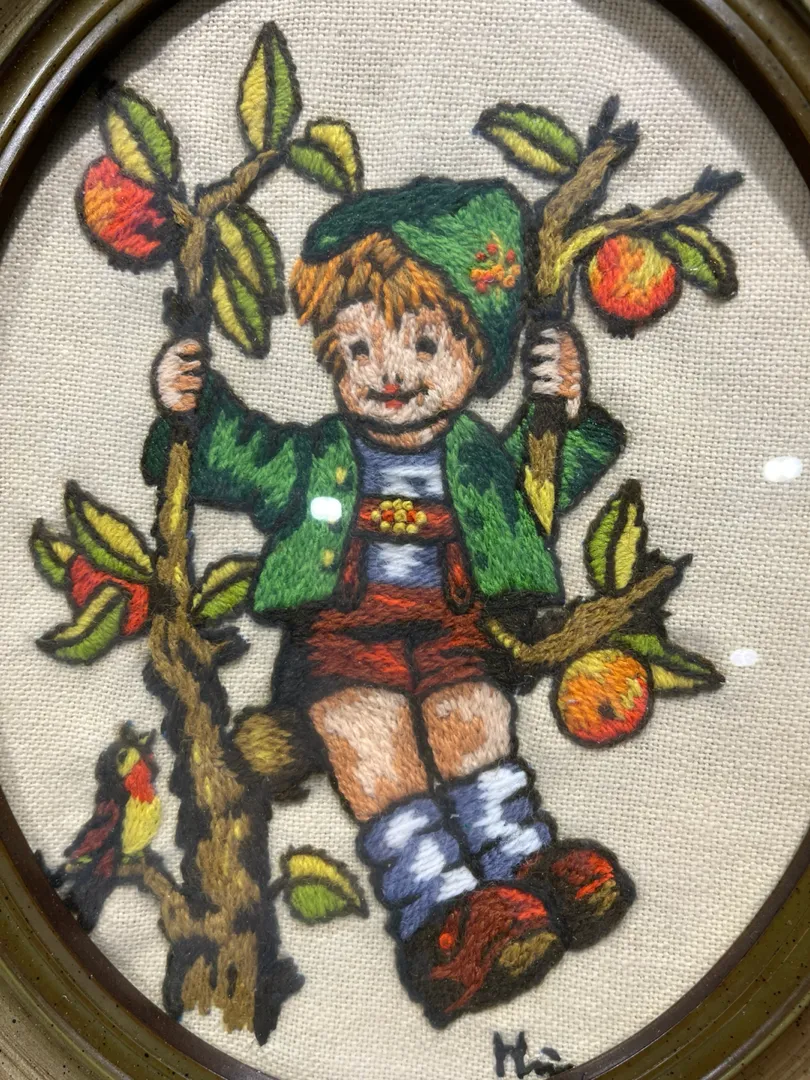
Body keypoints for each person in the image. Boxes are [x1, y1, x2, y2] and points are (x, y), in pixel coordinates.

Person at [143, 177, 634, 1026]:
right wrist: (190, 407)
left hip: (455, 640)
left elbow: (541, 487)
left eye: (425, 342)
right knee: (374, 738)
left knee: (474, 720)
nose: (390, 372)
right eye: (357, 349)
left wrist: (563, 407)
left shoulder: (478, 460)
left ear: (478, 357)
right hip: (343, 652)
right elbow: (242, 455)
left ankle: (524, 867)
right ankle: (442, 915)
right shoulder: (317, 459)